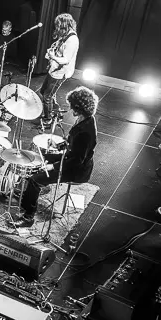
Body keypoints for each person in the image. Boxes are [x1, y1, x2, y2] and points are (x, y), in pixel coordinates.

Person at [15, 86, 98, 228]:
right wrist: (58, 146)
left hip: (76, 170)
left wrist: (52, 166)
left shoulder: (86, 131)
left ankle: (28, 217)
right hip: (69, 158)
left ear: (78, 108)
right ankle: (27, 197)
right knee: (37, 158)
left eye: (72, 106)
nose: (70, 109)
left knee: (35, 180)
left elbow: (76, 161)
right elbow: (72, 144)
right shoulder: (84, 120)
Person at [37, 13, 80, 115]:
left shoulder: (72, 40)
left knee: (47, 96)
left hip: (60, 73)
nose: (56, 28)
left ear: (64, 25)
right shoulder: (65, 35)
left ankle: (48, 118)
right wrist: (52, 51)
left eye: (58, 26)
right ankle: (55, 110)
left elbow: (66, 60)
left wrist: (53, 57)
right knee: (44, 91)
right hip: (54, 70)